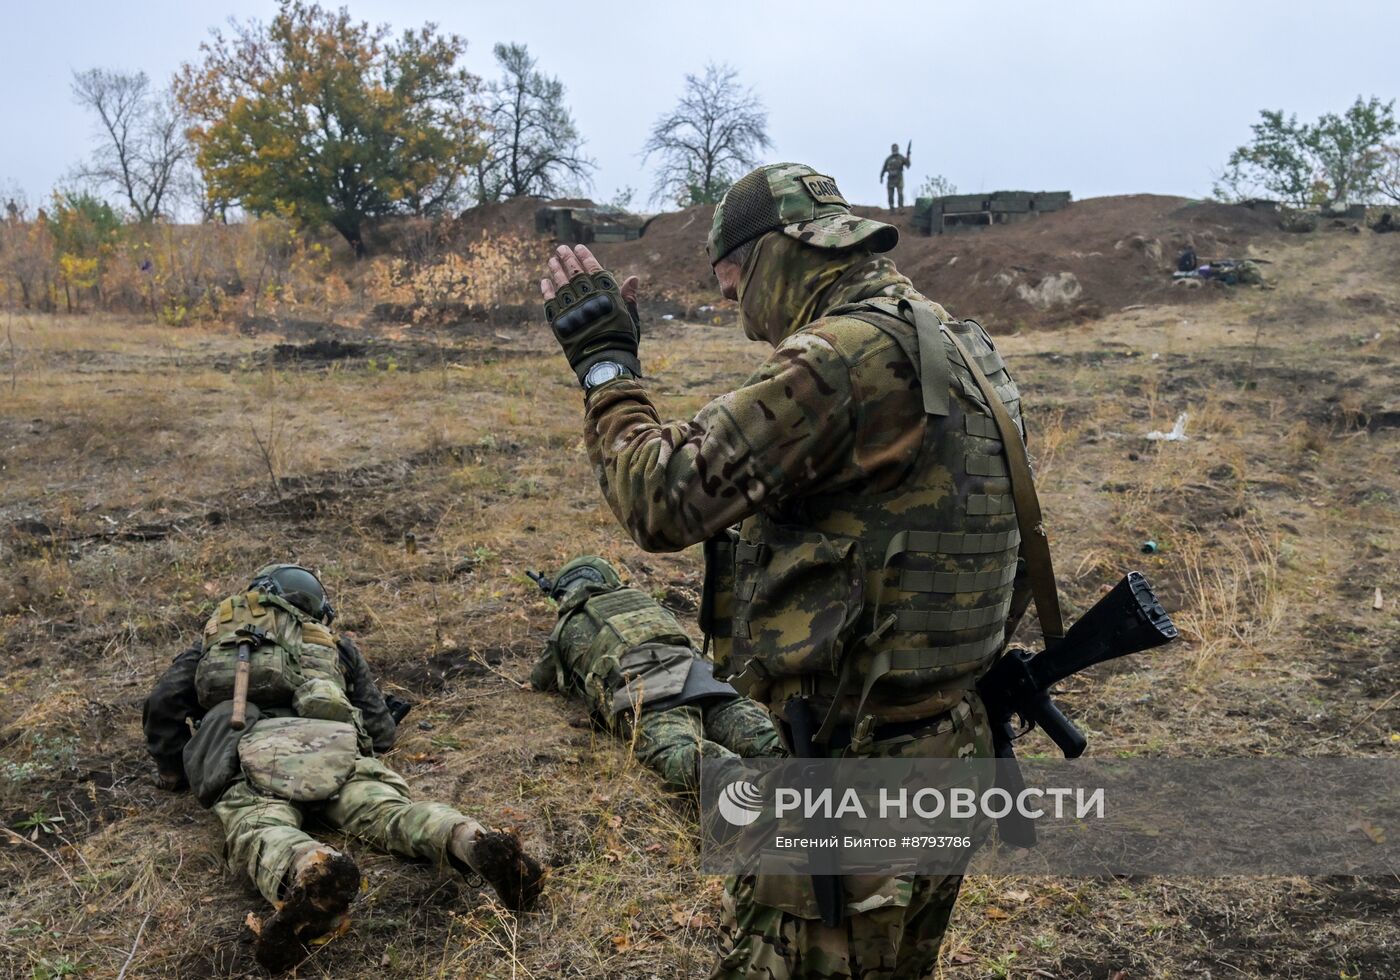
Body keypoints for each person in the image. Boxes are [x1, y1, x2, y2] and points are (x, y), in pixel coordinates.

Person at [539, 162, 1027, 978]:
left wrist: (605, 366)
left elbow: (660, 500)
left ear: (776, 256)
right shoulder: (953, 337)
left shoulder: (840, 359)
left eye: (732, 285)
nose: (736, 311)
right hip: (947, 746)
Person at [142, 563, 544, 973]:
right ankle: (468, 838)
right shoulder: (335, 643)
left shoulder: (219, 641)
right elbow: (380, 730)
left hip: (250, 752)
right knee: (391, 813)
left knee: (261, 827)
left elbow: (163, 703)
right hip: (333, 748)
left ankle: (312, 869)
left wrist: (173, 769)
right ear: (317, 606)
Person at [530, 555, 783, 791]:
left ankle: (757, 798)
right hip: (706, 678)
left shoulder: (568, 624)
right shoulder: (643, 601)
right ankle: (810, 783)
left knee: (688, 757)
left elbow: (542, 680)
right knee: (768, 741)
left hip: (650, 690)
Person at [879, 143, 910, 209]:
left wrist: (908, 156)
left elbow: (908, 165)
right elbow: (884, 168)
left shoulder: (901, 157)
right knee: (890, 195)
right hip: (891, 179)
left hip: (899, 178)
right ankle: (891, 208)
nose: (894, 149)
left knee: (900, 193)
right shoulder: (888, 159)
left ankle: (900, 207)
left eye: (895, 148)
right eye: (893, 148)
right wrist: (881, 177)